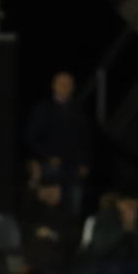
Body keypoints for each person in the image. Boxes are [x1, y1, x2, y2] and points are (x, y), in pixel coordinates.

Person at [24, 71, 91, 212]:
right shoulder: (44, 109)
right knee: (50, 202)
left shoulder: (78, 110)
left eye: (69, 84)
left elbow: (85, 139)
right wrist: (48, 156)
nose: (65, 87)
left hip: (73, 167)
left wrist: (84, 162)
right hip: (51, 166)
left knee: (74, 200)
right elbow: (32, 137)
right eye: (62, 84)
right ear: (54, 86)